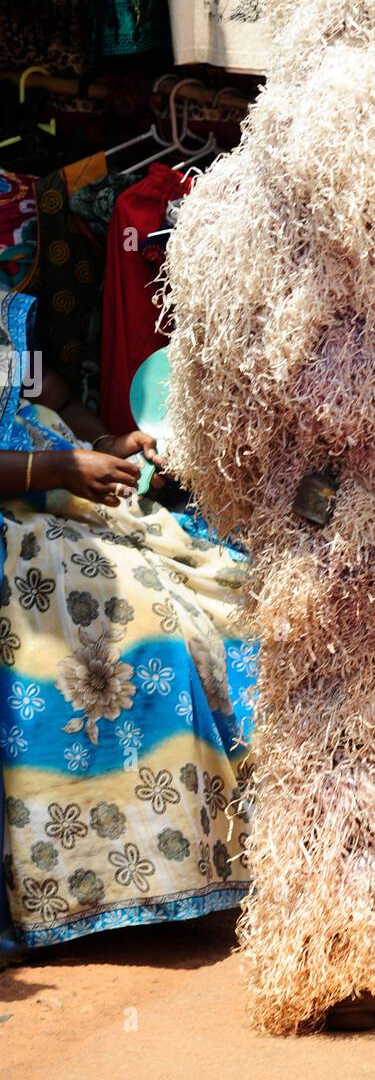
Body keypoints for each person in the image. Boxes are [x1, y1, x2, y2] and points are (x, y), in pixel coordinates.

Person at [0, 291, 256, 958]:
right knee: (148, 622)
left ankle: (259, 848)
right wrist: (57, 467)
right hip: (19, 523)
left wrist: (108, 443)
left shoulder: (6, 320)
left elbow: (56, 397)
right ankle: (112, 877)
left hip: (67, 499)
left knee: (228, 594)